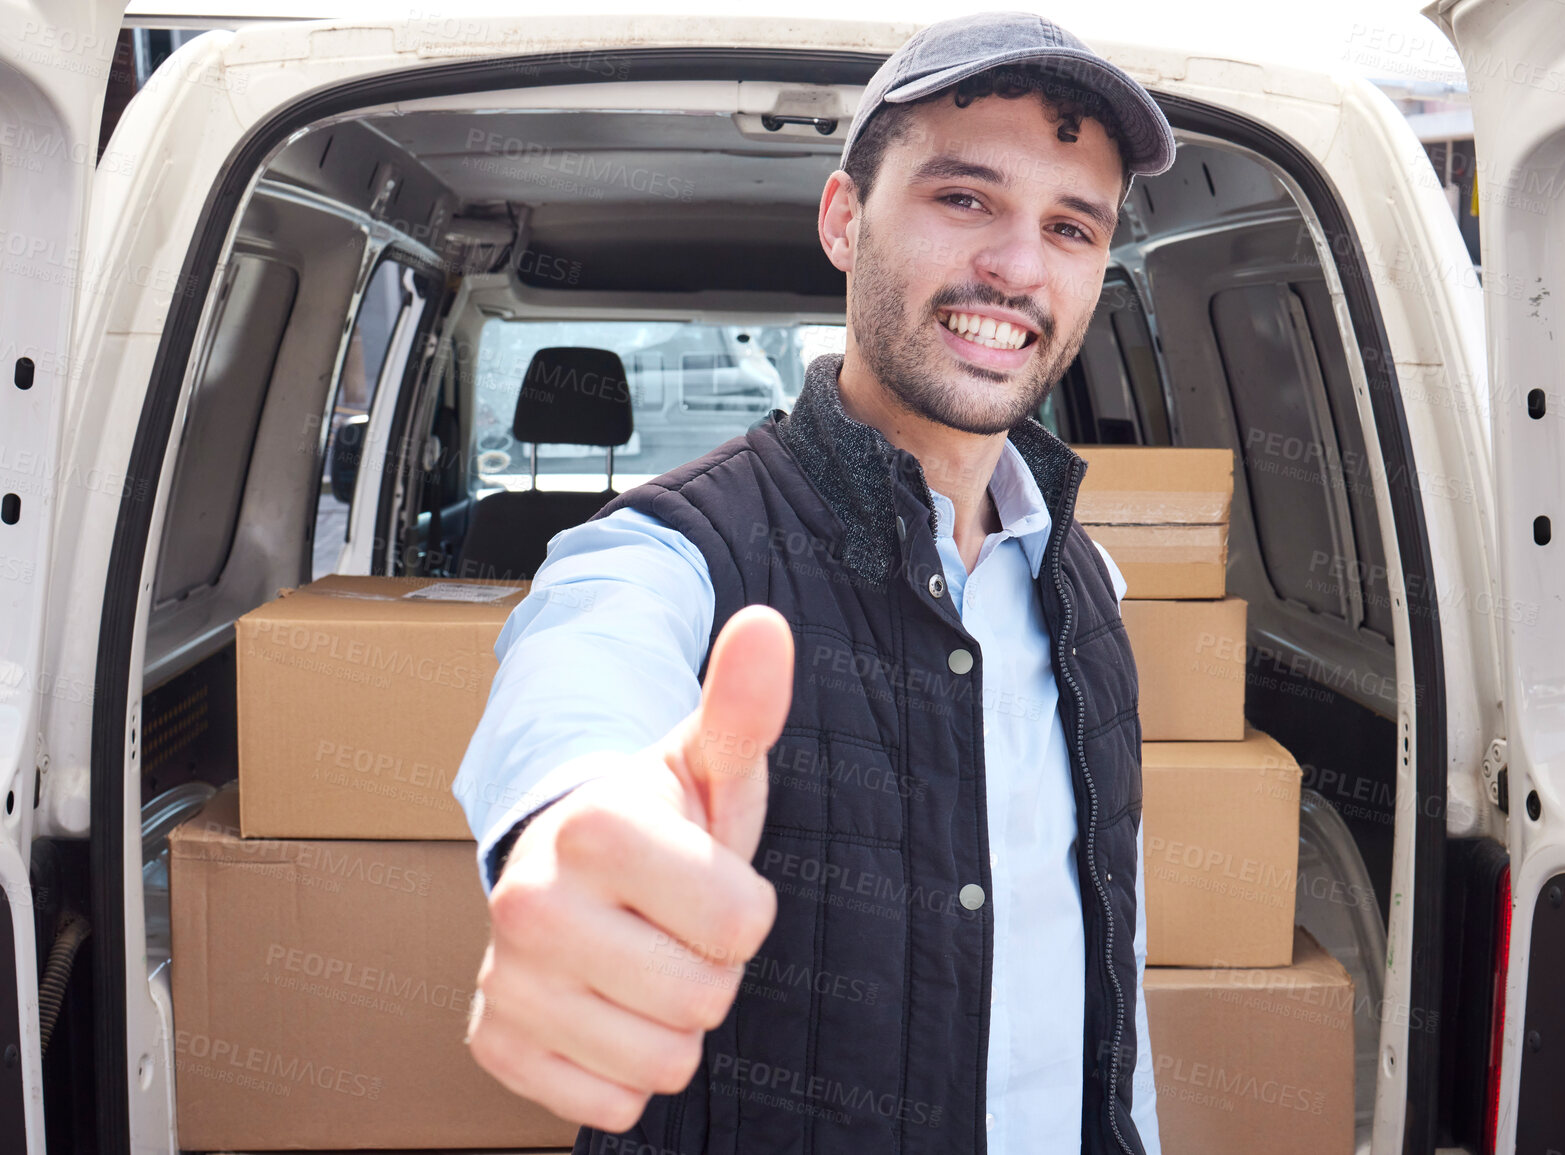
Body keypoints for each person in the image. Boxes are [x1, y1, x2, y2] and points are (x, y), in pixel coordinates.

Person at [454, 12, 1177, 1153]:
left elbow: (1105, 956)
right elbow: (581, 684)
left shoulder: (1091, 584)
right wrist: (577, 832)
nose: (1020, 265)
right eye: (965, 199)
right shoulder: (670, 551)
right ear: (845, 219)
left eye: (1072, 226)